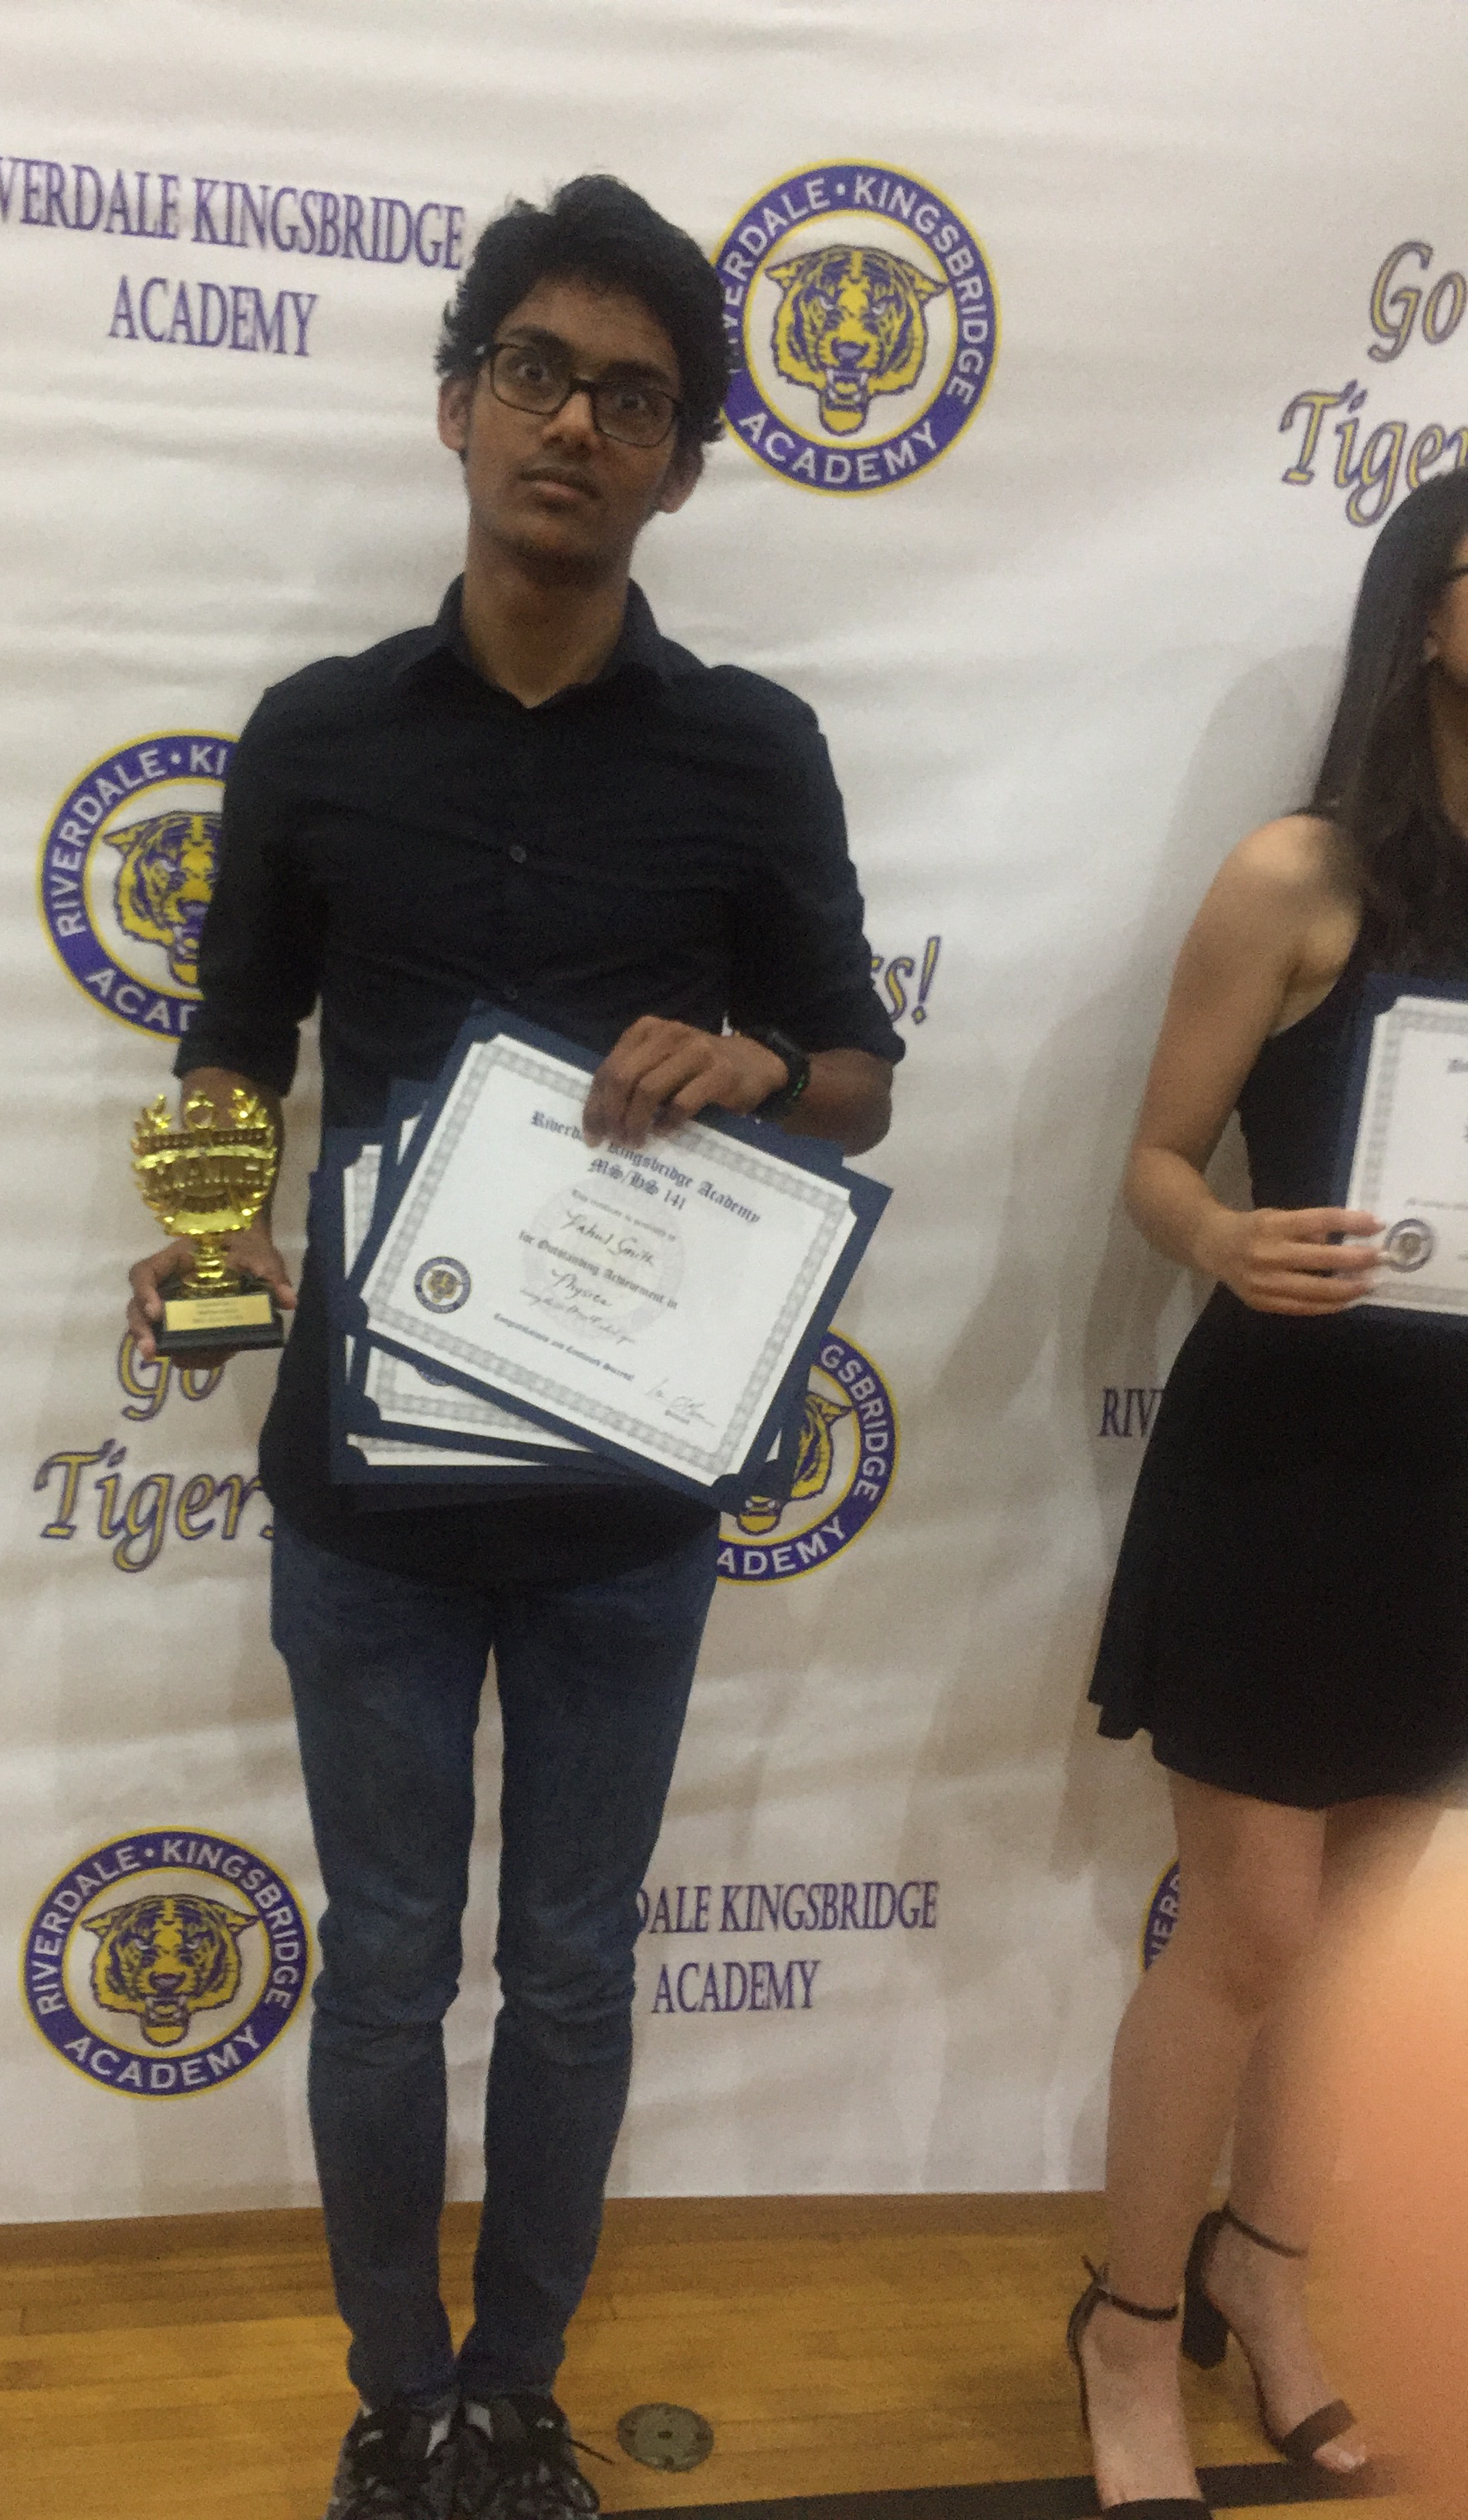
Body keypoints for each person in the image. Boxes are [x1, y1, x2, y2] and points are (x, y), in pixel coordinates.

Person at [125, 177, 901, 2520]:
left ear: (684, 467)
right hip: (366, 1489)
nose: (575, 426)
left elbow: (858, 1074)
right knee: (382, 1967)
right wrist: (204, 1238)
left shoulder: (754, 749)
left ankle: (525, 2396)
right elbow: (233, 1050)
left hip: (627, 1494)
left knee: (568, 1968)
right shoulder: (316, 735)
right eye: (538, 375)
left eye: (632, 400)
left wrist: (756, 1066)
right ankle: (401, 2407)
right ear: (458, 404)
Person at [1071, 469, 1468, 2516]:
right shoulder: (1302, 875)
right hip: (1291, 1458)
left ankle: (1272, 2277)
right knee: (1248, 1927)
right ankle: (1129, 2330)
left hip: (1457, 1486)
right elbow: (1157, 1160)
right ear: (1429, 614)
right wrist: (1225, 1241)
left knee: (1371, 1934)